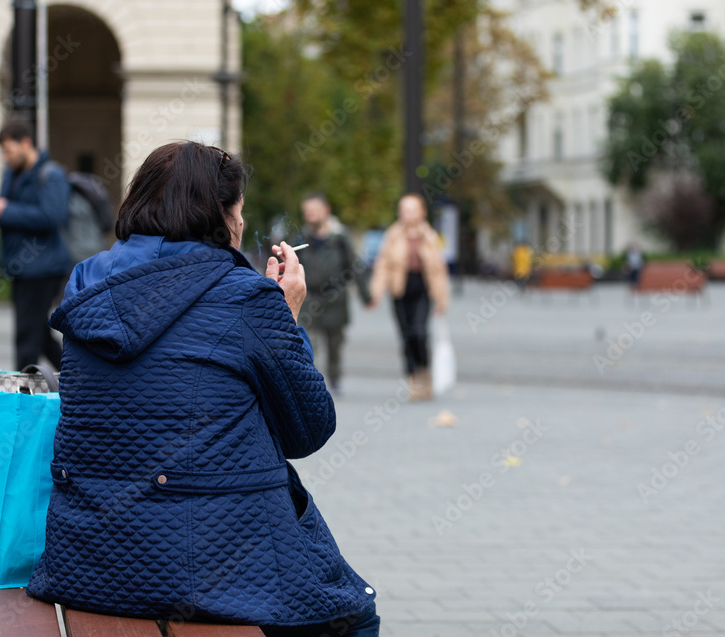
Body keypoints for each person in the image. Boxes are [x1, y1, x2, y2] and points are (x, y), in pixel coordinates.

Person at [26, 142, 380, 636]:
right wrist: (287, 316)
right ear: (218, 215)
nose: (240, 224)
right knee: (356, 619)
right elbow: (309, 429)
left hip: (90, 561)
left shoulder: (86, 285)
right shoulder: (246, 300)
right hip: (214, 569)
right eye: (238, 211)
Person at [0, 120, 71, 370]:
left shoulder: (52, 175)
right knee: (38, 335)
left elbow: (52, 217)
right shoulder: (10, 173)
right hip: (20, 267)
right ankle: (79, 379)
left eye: (9, 151)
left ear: (26, 143)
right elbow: (8, 214)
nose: (6, 157)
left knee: (26, 337)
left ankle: (21, 397)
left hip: (42, 268)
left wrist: (7, 211)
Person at [369, 193, 450, 401]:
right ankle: (413, 378)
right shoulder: (393, 235)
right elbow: (383, 265)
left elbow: (439, 269)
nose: (408, 214)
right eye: (404, 210)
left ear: (422, 212)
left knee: (420, 332)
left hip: (422, 289)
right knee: (406, 336)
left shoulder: (430, 236)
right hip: (400, 290)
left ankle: (425, 371)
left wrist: (442, 298)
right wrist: (376, 292)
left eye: (412, 209)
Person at [296, 192, 372, 395]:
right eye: (307, 212)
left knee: (334, 344)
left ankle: (335, 378)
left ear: (326, 211)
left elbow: (355, 266)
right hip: (309, 298)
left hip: (335, 298)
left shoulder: (340, 238)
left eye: (314, 211)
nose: (310, 216)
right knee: (307, 342)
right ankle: (310, 383)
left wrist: (367, 296)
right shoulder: (301, 239)